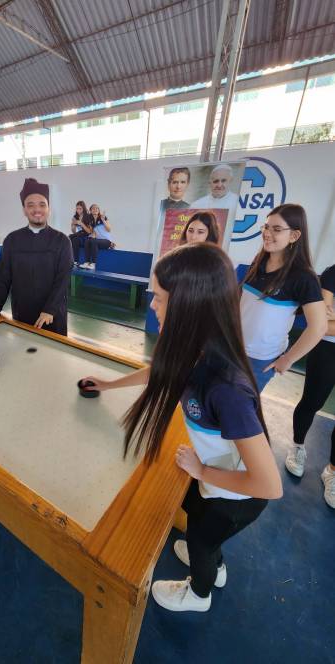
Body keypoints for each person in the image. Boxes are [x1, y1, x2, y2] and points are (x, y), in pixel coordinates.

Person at [80, 243, 282, 612]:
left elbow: (269, 485)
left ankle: (199, 594)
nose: (152, 306)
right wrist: (107, 385)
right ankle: (216, 566)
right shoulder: (197, 350)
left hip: (237, 498)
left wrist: (202, 471)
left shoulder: (226, 389)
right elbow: (160, 372)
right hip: (218, 483)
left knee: (202, 540)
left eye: (158, 298)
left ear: (188, 305)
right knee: (202, 529)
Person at [240, 204, 326, 392]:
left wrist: (288, 359)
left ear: (294, 236)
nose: (267, 233)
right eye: (266, 227)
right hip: (232, 347)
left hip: (259, 360)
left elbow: (319, 327)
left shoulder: (304, 277)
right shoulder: (259, 261)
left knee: (235, 407)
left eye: (277, 229)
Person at [0, 178, 73, 336]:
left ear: (49, 209)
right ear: (24, 210)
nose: (37, 209)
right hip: (22, 313)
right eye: (30, 205)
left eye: (42, 204)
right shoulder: (12, 240)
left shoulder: (62, 241)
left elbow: (63, 280)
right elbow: (2, 276)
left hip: (52, 316)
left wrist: (50, 309)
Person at [285, 263, 335, 508]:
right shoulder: (332, 274)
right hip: (327, 349)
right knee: (311, 402)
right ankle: (297, 446)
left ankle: (332, 470)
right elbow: (322, 324)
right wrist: (326, 322)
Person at [79, 204, 114, 270]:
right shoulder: (91, 220)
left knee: (93, 241)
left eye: (97, 208)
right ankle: (87, 262)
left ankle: (93, 263)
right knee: (87, 240)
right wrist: (81, 223)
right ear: (90, 210)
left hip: (107, 241)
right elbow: (92, 232)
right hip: (97, 241)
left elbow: (109, 229)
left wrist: (103, 220)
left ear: (98, 210)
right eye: (93, 208)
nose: (95, 209)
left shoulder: (103, 218)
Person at [69, 201, 93, 266]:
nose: (78, 210)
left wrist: (81, 224)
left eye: (80, 209)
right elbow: (74, 231)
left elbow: (89, 231)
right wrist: (73, 225)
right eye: (77, 208)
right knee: (74, 240)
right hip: (79, 235)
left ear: (83, 209)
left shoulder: (88, 216)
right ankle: (75, 261)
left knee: (70, 237)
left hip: (86, 237)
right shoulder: (75, 216)